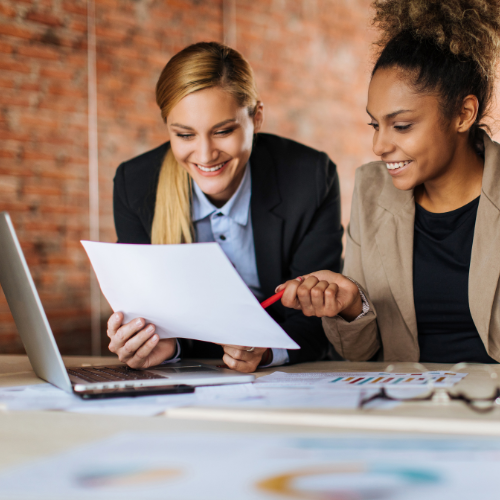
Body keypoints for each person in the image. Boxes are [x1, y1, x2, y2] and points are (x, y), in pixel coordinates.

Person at [279, 0, 500, 364]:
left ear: (464, 113)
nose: (379, 146)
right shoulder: (371, 189)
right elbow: (357, 355)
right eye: (375, 125)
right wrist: (351, 308)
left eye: (401, 126)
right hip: (403, 406)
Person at [106, 42, 343, 373]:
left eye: (223, 131)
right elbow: (152, 316)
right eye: (185, 135)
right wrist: (155, 343)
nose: (204, 155)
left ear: (256, 118)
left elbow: (319, 319)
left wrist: (266, 352)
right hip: (192, 377)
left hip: (285, 376)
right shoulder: (135, 184)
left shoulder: (309, 178)